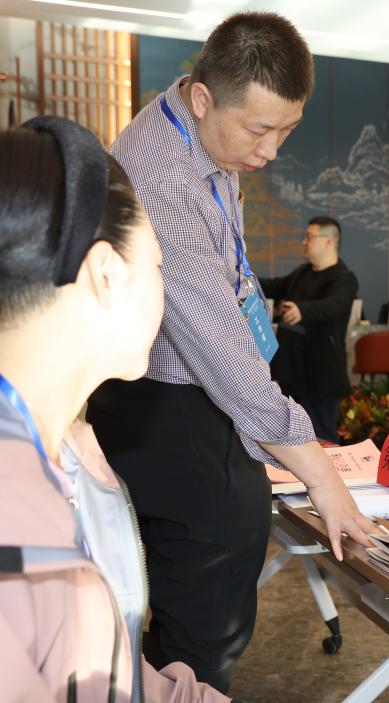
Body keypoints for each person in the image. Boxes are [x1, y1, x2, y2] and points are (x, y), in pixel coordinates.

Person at [84, 12, 376, 692]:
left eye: (287, 130)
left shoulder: (204, 139)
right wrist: (320, 473)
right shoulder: (163, 178)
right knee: (211, 580)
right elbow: (219, 351)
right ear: (203, 97)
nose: (270, 150)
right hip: (163, 402)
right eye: (258, 129)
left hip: (182, 395)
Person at [0, 118, 228, 701]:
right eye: (158, 265)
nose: (162, 288)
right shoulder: (13, 526)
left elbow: (115, 677)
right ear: (106, 274)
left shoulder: (71, 455)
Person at [259, 216, 357, 441]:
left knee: (323, 438)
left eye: (309, 237)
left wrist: (302, 310)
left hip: (321, 375)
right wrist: (242, 276)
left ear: (329, 241)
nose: (304, 242)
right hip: (291, 371)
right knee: (291, 439)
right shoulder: (302, 273)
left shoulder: (344, 278)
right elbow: (273, 286)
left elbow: (335, 304)